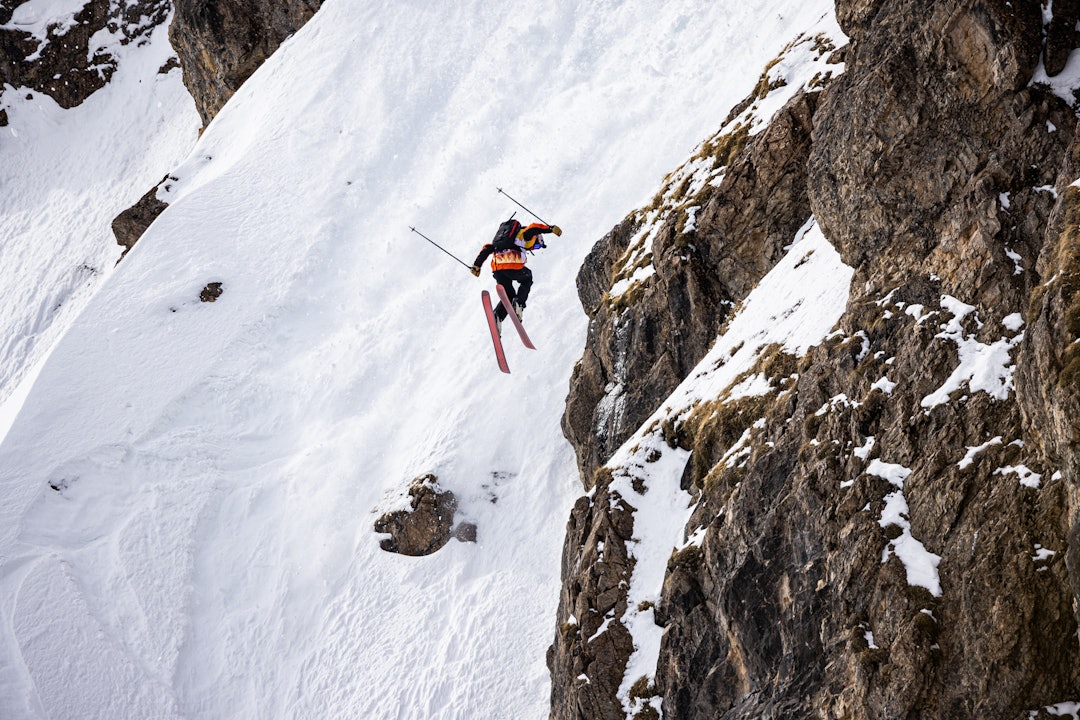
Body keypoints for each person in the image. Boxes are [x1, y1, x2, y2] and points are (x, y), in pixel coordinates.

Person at [471, 219, 562, 332]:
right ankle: (519, 302)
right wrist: (550, 229)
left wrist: (477, 265)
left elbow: (488, 248)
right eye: (537, 246)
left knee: (509, 295)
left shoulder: (504, 240)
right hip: (511, 263)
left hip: (497, 269)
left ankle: (497, 315)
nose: (534, 248)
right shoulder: (525, 235)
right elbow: (533, 228)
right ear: (538, 239)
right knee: (527, 278)